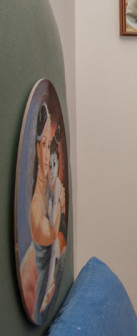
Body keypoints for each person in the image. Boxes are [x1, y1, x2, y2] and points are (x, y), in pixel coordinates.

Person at [27, 103, 65, 324]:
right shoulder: (37, 202)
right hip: (39, 289)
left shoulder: (51, 188)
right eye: (43, 144)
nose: (45, 152)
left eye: (49, 144)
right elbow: (48, 234)